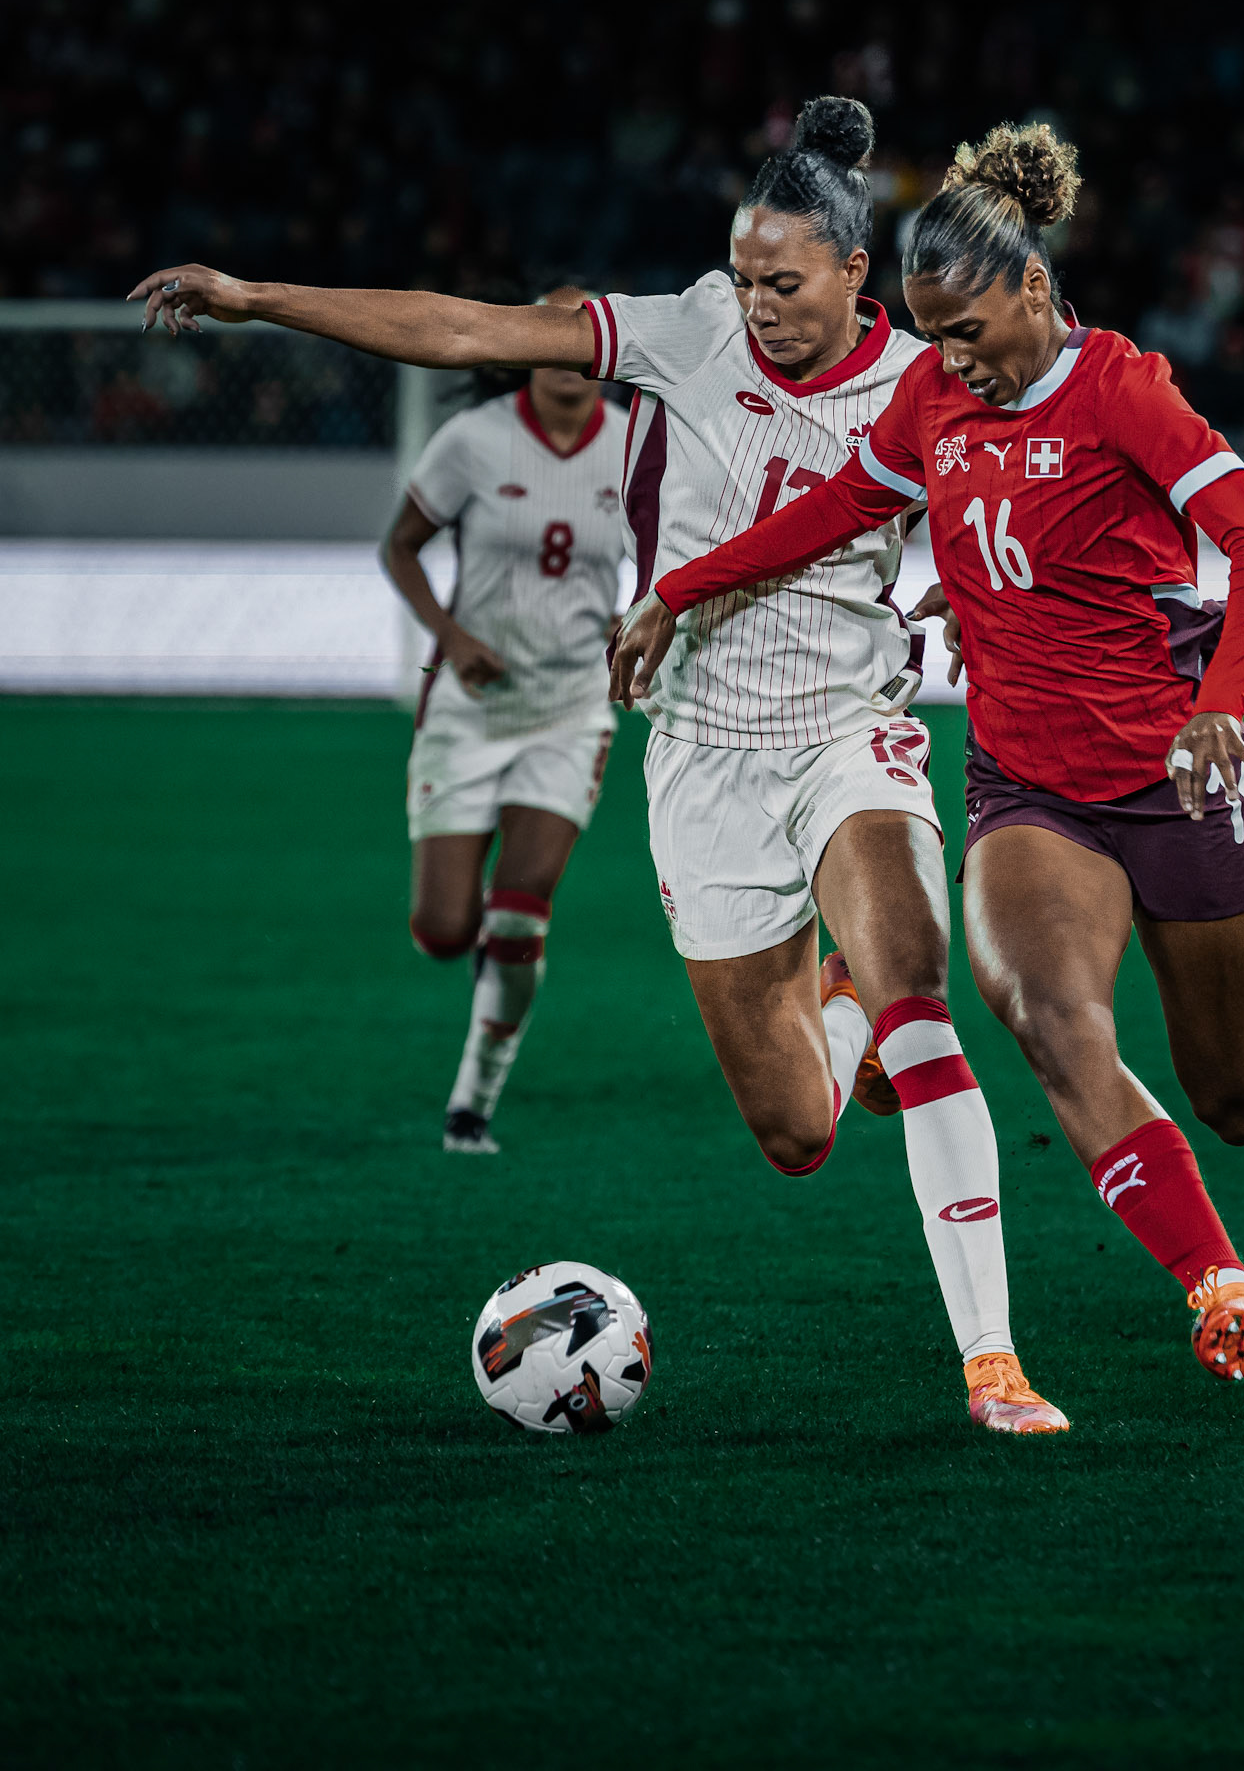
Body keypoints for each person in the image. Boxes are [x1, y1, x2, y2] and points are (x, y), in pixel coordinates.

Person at [129, 98, 1066, 1435]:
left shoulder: (922, 383)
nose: (757, 306)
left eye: (785, 284)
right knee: (799, 1132)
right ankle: (843, 1011)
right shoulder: (686, 329)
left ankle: (990, 1358)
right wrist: (255, 296)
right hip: (698, 760)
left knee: (922, 995)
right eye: (744, 278)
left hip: (851, 734)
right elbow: (464, 327)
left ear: (860, 273)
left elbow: (1024, 501)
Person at [613, 122, 1244, 1384]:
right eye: (932, 337)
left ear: (1037, 289)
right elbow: (837, 511)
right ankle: (1222, 1288)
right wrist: (680, 589)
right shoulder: (935, 396)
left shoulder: (1125, 389)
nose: (951, 364)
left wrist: (1222, 701)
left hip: (1176, 776)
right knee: (1053, 1023)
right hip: (1030, 788)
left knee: (1228, 1092)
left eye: (972, 333)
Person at [382, 283, 627, 1154]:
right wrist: (449, 635)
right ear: (525, 347)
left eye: (583, 341)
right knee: (445, 932)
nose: (568, 357)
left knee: (521, 913)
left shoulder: (637, 444)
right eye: (551, 339)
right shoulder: (474, 440)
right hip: (471, 707)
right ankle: (483, 952)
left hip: (571, 710)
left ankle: (470, 1107)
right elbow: (399, 546)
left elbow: (680, 547)